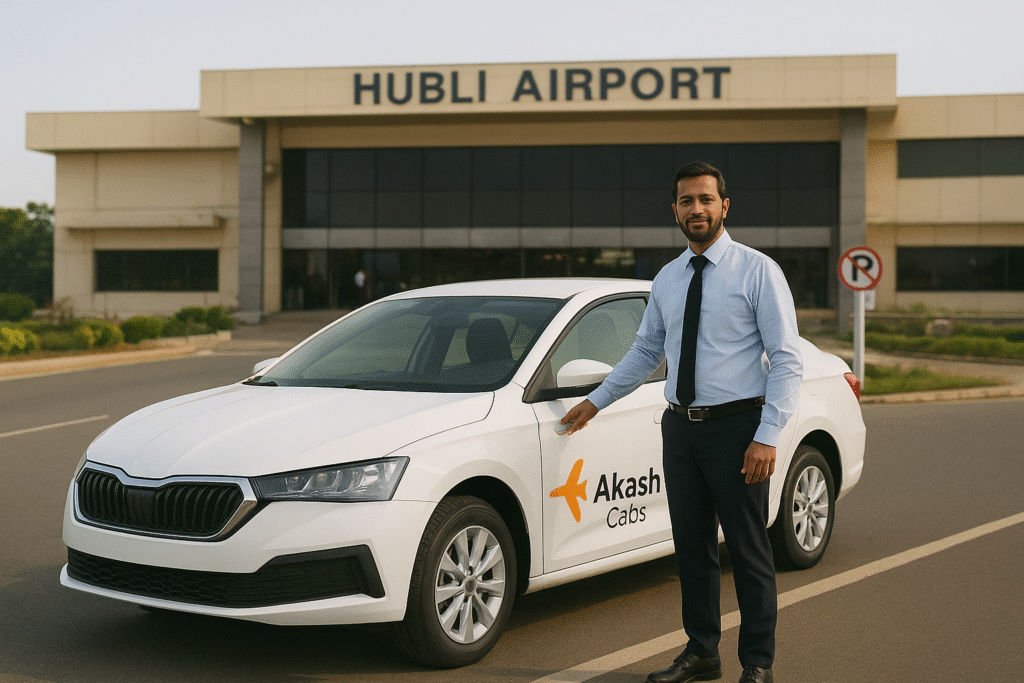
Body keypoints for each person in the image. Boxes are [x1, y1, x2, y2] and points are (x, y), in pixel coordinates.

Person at [559, 162, 802, 683]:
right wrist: (596, 400)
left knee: (749, 551)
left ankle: (758, 664)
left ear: (724, 206)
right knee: (691, 549)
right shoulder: (668, 278)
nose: (697, 209)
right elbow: (647, 348)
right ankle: (702, 652)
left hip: (740, 430)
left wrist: (767, 436)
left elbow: (786, 358)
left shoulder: (757, 271)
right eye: (687, 201)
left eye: (706, 200)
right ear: (675, 210)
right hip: (681, 430)